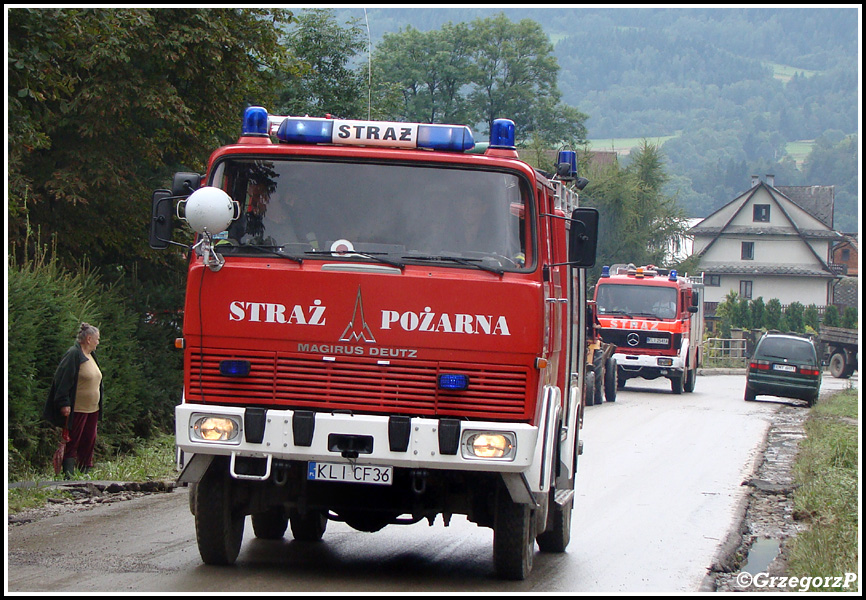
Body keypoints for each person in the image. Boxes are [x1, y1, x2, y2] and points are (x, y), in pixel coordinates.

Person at [42, 323, 103, 477]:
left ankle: (84, 471)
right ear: (89, 339)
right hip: (78, 408)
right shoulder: (73, 354)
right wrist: (64, 403)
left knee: (89, 440)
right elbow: (62, 379)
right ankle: (68, 473)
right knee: (73, 440)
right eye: (97, 339)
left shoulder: (90, 355)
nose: (98, 342)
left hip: (92, 408)